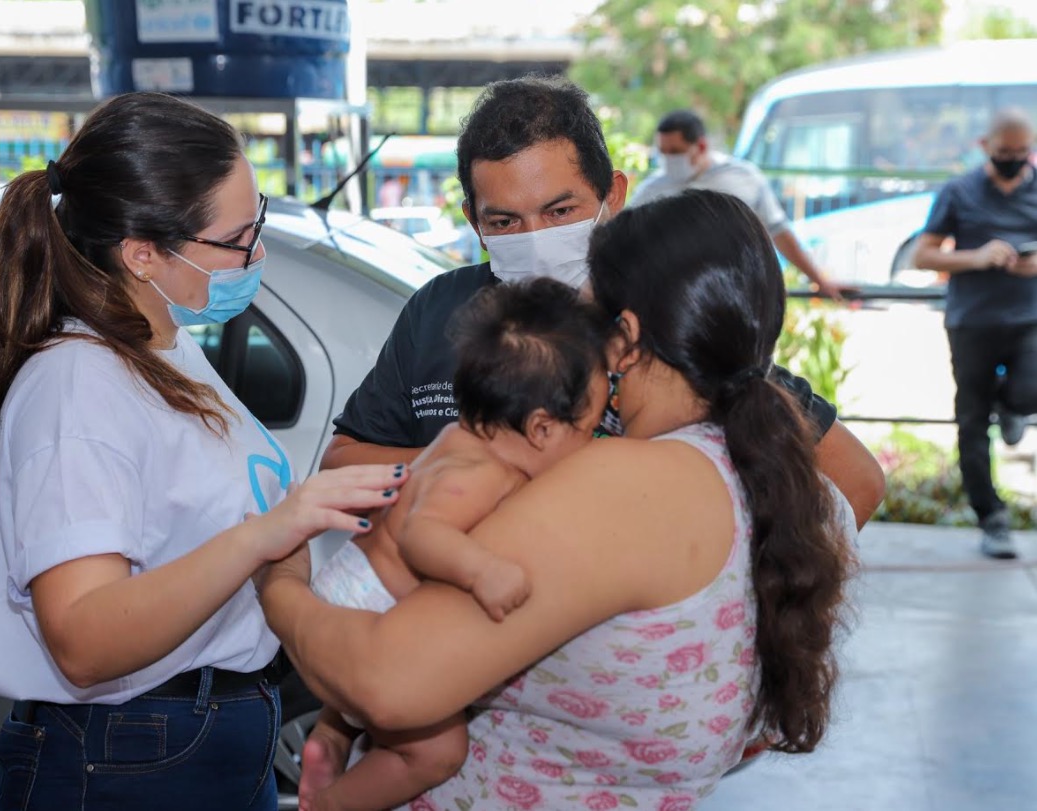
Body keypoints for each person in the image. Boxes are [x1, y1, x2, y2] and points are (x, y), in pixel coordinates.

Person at [261, 188, 859, 809]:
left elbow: (385, 684)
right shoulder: (786, 482)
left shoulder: (626, 483)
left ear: (625, 336)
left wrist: (279, 583)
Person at [0, 91, 408, 811]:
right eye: (236, 239)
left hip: (200, 738)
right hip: (128, 757)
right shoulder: (77, 385)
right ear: (142, 254)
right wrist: (267, 533)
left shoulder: (162, 340)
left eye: (258, 224)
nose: (257, 254)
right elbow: (84, 637)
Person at [321, 76, 886, 531]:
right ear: (473, 221)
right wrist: (476, 465)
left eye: (560, 212)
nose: (535, 237)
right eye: (505, 221)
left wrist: (734, 611)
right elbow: (344, 459)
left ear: (612, 195)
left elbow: (857, 482)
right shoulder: (439, 311)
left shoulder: (666, 309)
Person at [302, 278, 612, 811]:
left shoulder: (457, 438)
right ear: (540, 428)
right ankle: (333, 804)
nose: (590, 443)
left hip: (358, 594)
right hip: (365, 608)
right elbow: (424, 535)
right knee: (439, 752)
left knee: (375, 713)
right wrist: (480, 571)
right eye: (587, 430)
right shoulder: (479, 473)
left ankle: (331, 736)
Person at [913, 107, 1037, 560]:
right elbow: (922, 256)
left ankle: (1013, 406)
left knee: (1028, 393)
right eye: (1005, 152)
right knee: (971, 420)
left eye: (1022, 152)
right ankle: (992, 519)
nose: (1014, 159)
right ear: (986, 147)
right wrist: (977, 257)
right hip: (972, 322)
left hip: (1029, 318)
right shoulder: (959, 190)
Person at [629, 109, 848, 301]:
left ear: (701, 146)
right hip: (676, 299)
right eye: (663, 152)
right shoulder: (651, 190)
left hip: (738, 294)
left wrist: (819, 280)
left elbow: (778, 231)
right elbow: (623, 237)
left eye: (675, 152)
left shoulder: (743, 178)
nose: (668, 159)